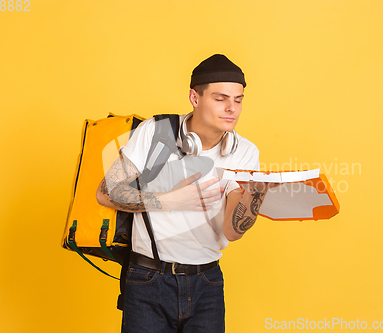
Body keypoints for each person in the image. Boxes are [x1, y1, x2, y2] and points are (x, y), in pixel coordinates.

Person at [96, 54, 274, 333]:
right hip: (147, 279)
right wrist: (169, 201)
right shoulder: (155, 132)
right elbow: (107, 193)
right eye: (220, 98)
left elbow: (232, 231)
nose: (232, 109)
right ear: (195, 97)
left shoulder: (246, 152)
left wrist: (256, 195)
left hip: (207, 283)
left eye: (238, 100)